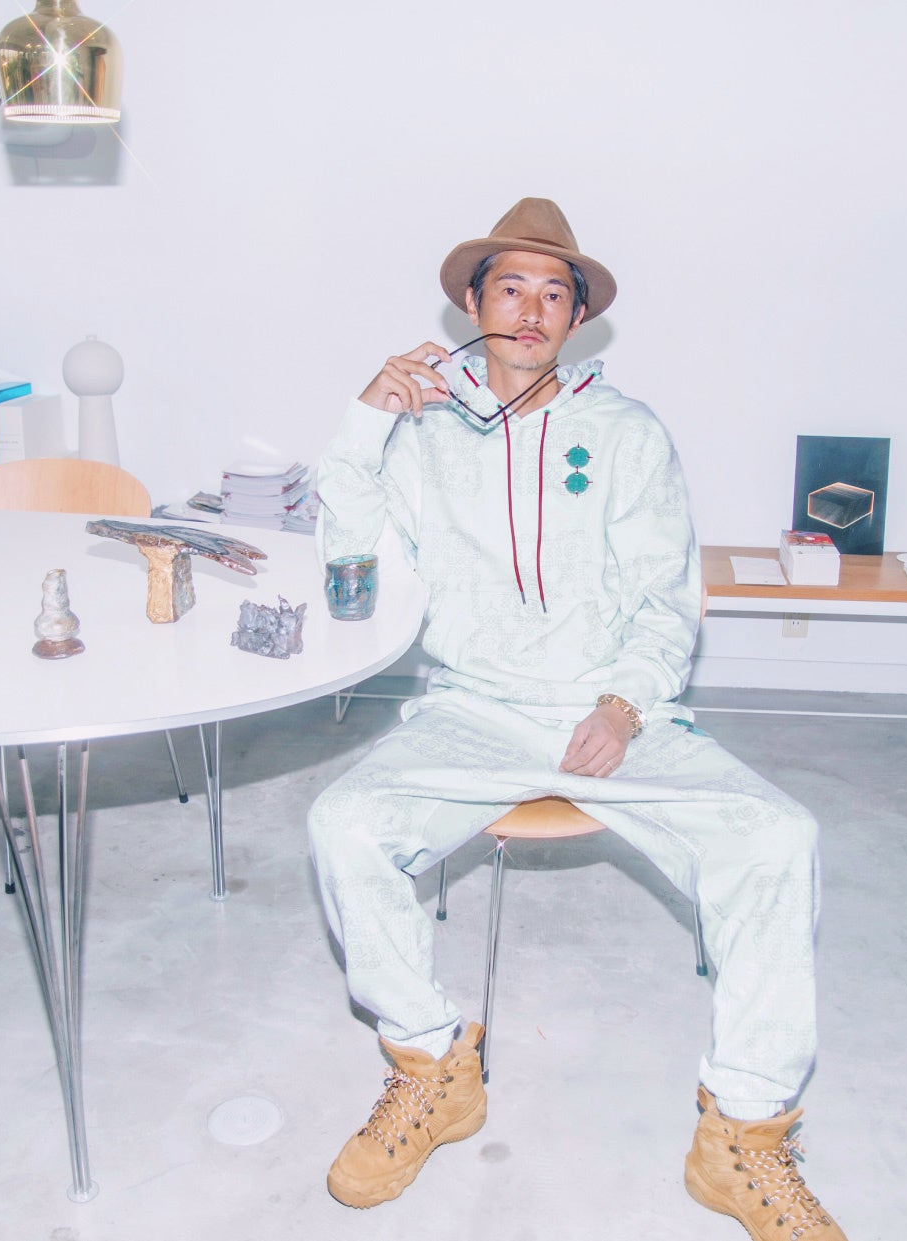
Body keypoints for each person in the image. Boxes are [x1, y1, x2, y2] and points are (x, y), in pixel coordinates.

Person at [308, 198, 845, 1239]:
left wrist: (624, 702)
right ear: (472, 304)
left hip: (612, 712)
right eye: (509, 287)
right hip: (472, 706)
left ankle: (743, 1135)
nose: (530, 309)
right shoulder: (420, 433)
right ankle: (431, 1065)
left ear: (578, 317)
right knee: (344, 822)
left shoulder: (628, 434)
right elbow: (351, 551)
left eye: (554, 293)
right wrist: (367, 416)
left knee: (779, 837)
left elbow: (666, 596)